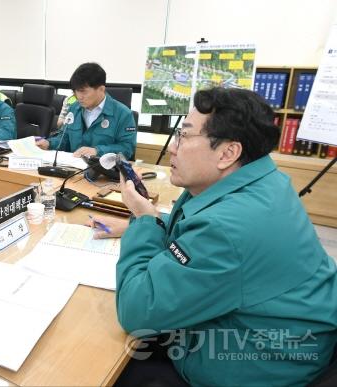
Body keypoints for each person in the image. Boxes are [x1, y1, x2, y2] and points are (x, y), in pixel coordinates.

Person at [90, 87, 337, 386]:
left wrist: (143, 219)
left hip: (254, 363)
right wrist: (150, 224)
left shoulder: (227, 229)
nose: (173, 147)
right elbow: (201, 231)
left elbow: (136, 310)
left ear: (227, 153)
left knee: (102, 361)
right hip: (293, 336)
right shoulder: (263, 181)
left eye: (184, 135)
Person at [36, 62, 136, 159]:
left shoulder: (123, 114)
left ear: (101, 89)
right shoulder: (74, 108)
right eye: (75, 91)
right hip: (73, 168)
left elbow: (127, 148)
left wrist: (97, 151)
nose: (79, 97)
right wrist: (49, 143)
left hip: (104, 172)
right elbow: (64, 138)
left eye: (83, 91)